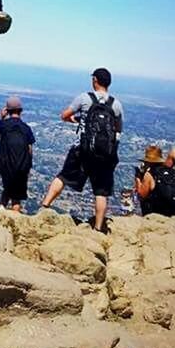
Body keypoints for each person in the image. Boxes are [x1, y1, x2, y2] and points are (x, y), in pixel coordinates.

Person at [41, 68, 123, 232]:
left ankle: (45, 207)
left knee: (63, 176)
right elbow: (118, 129)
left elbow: (64, 115)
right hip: (104, 154)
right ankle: (98, 228)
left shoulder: (85, 98)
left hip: (82, 149)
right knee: (101, 191)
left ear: (95, 80)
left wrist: (75, 120)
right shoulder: (116, 104)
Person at [0, 96, 35, 211]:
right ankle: (14, 219)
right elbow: (30, 149)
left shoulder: (3, 124)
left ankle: (1, 210)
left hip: (6, 164)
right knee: (16, 197)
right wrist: (27, 166)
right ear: (21, 111)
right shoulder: (26, 128)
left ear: (7, 110)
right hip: (22, 166)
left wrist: (1, 118)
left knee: (7, 188)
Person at [134, 144, 175, 217]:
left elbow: (142, 194)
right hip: (173, 212)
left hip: (155, 213)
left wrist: (138, 178)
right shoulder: (172, 172)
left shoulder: (150, 174)